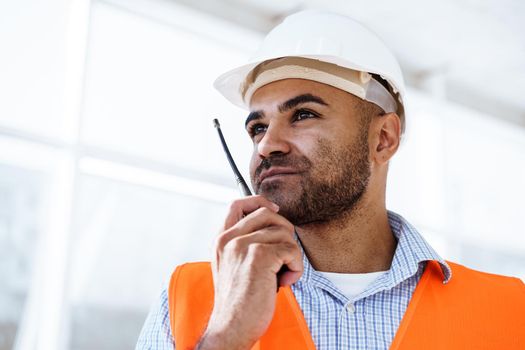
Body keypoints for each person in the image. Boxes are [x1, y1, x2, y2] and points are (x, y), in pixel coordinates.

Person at [136, 10, 525, 350]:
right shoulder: (188, 298)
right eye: (257, 127)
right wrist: (224, 336)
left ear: (383, 139)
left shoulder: (511, 309)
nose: (267, 144)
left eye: (303, 114)